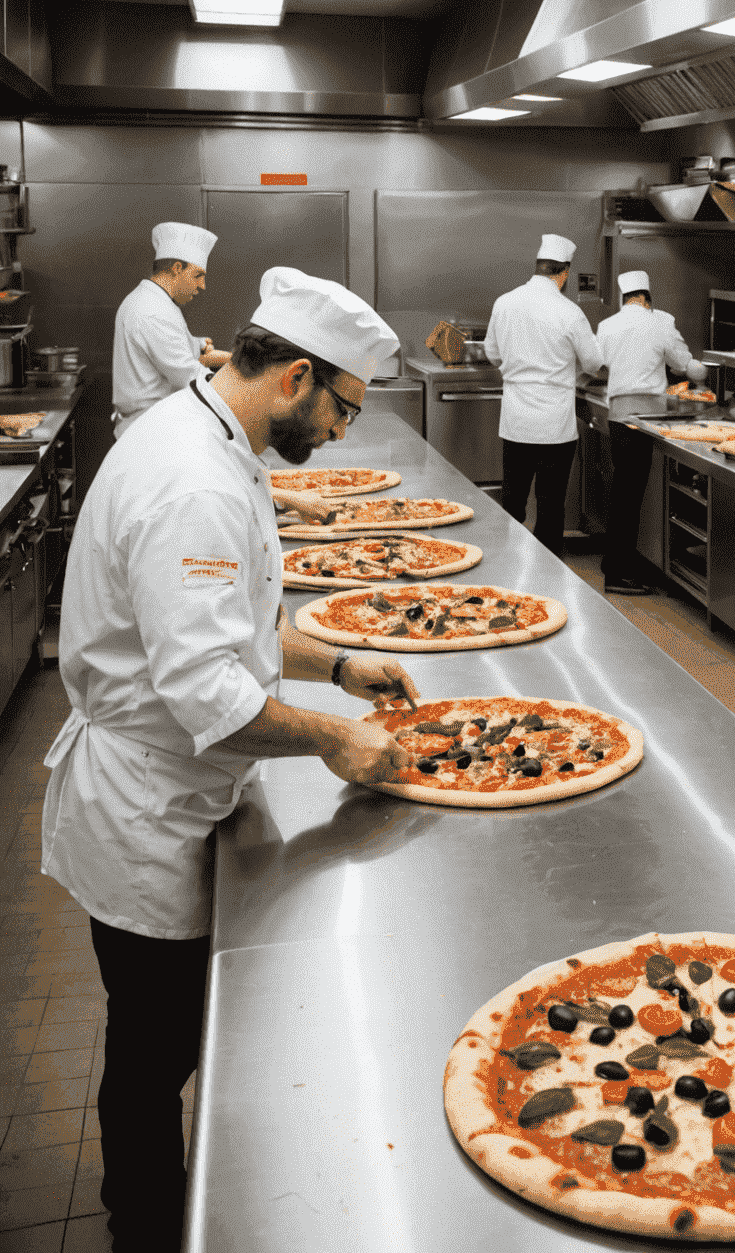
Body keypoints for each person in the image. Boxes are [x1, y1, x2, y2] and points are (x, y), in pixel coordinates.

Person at [41, 266, 417, 1252]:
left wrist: (336, 662)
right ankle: (148, 1231)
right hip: (146, 809)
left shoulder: (215, 436)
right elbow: (206, 690)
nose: (342, 433)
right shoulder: (195, 483)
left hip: (173, 786)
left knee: (164, 1040)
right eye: (345, 408)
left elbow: (232, 624)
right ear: (297, 376)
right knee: (152, 1055)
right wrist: (337, 737)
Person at [484, 232, 603, 560]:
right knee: (551, 504)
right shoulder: (569, 312)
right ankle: (548, 572)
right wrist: (576, 374)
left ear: (538, 267)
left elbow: (492, 353)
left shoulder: (505, 302)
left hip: (516, 421)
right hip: (555, 426)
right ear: (563, 273)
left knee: (513, 500)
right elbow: (594, 361)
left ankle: (507, 564)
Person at [596, 269, 707, 594]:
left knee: (622, 493)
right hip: (645, 419)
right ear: (647, 298)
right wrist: (699, 374)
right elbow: (685, 364)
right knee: (628, 497)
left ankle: (613, 562)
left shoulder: (607, 325)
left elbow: (597, 364)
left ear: (624, 298)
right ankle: (618, 573)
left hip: (617, 417)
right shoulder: (661, 322)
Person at [111, 221, 230, 438]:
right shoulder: (152, 311)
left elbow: (170, 349)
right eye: (198, 275)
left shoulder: (155, 301)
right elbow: (190, 377)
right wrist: (245, 378)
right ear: (176, 269)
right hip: (149, 430)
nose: (202, 285)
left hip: (152, 422)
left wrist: (200, 346)